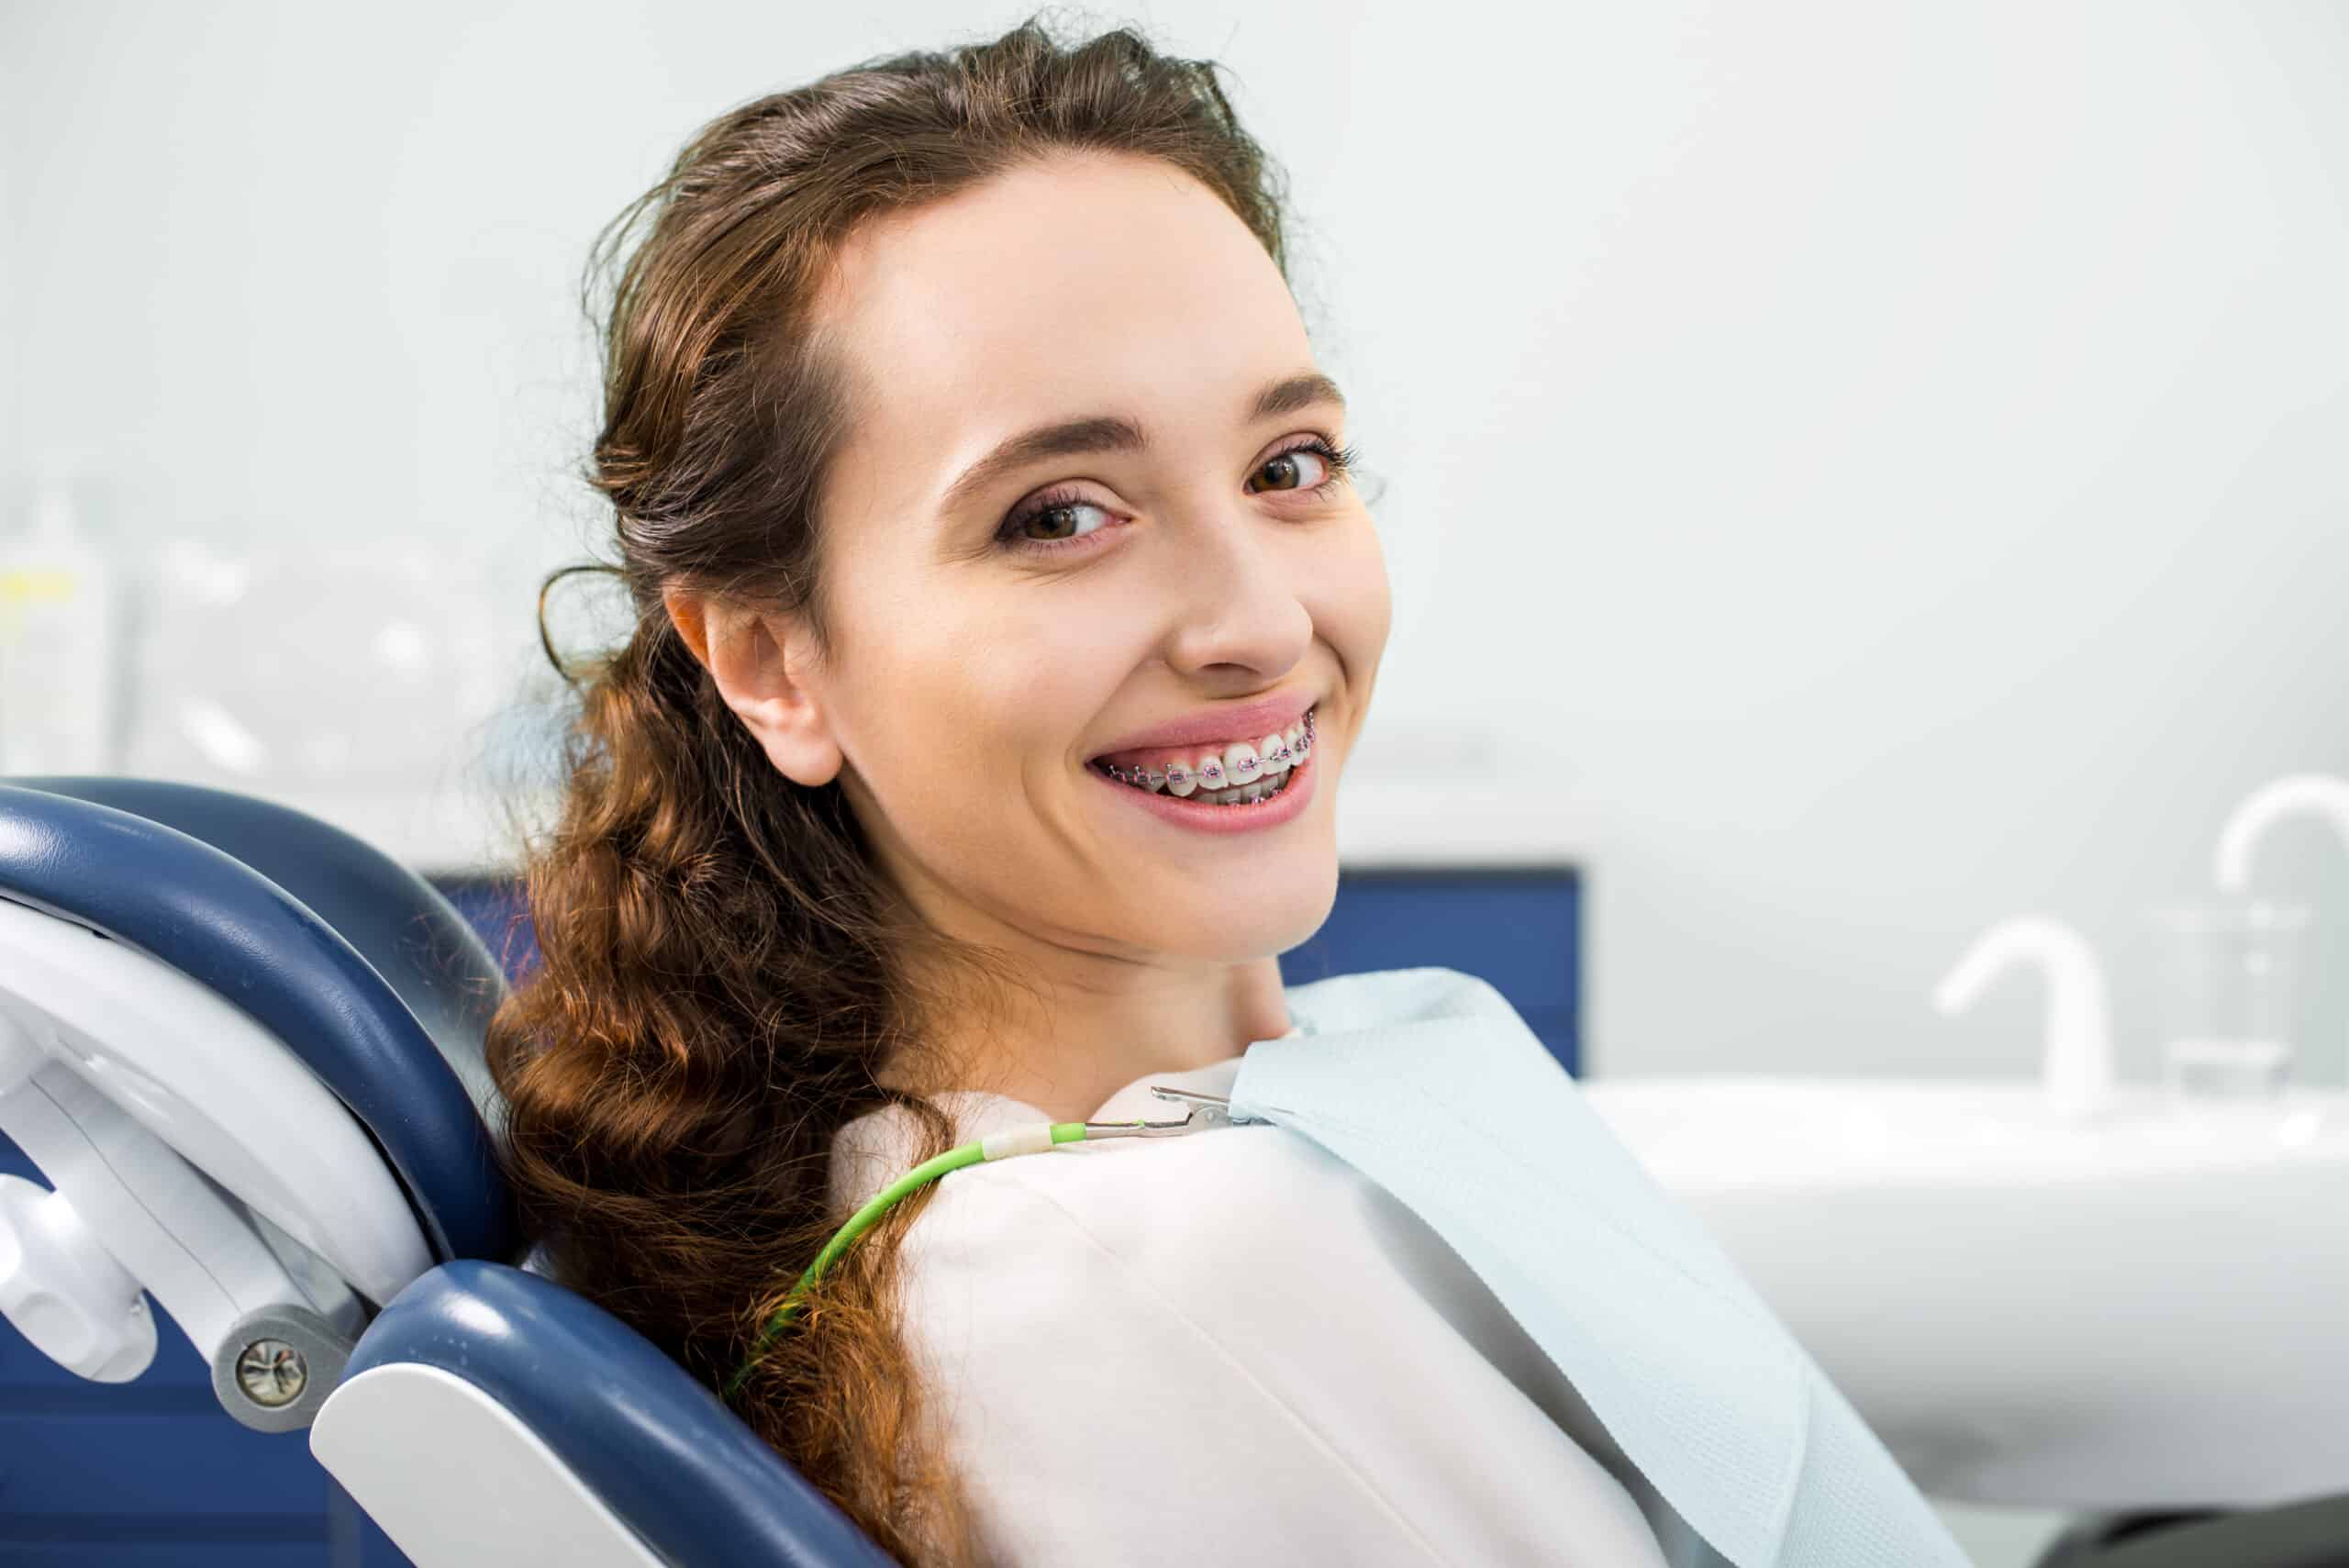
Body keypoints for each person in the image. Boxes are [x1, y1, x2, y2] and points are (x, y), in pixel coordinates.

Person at [486, 16, 1693, 1564]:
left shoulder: (1199, 1148)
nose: (1261, 622)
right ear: (774, 659)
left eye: (1288, 465)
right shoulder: (1169, 1275)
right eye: (1061, 514)